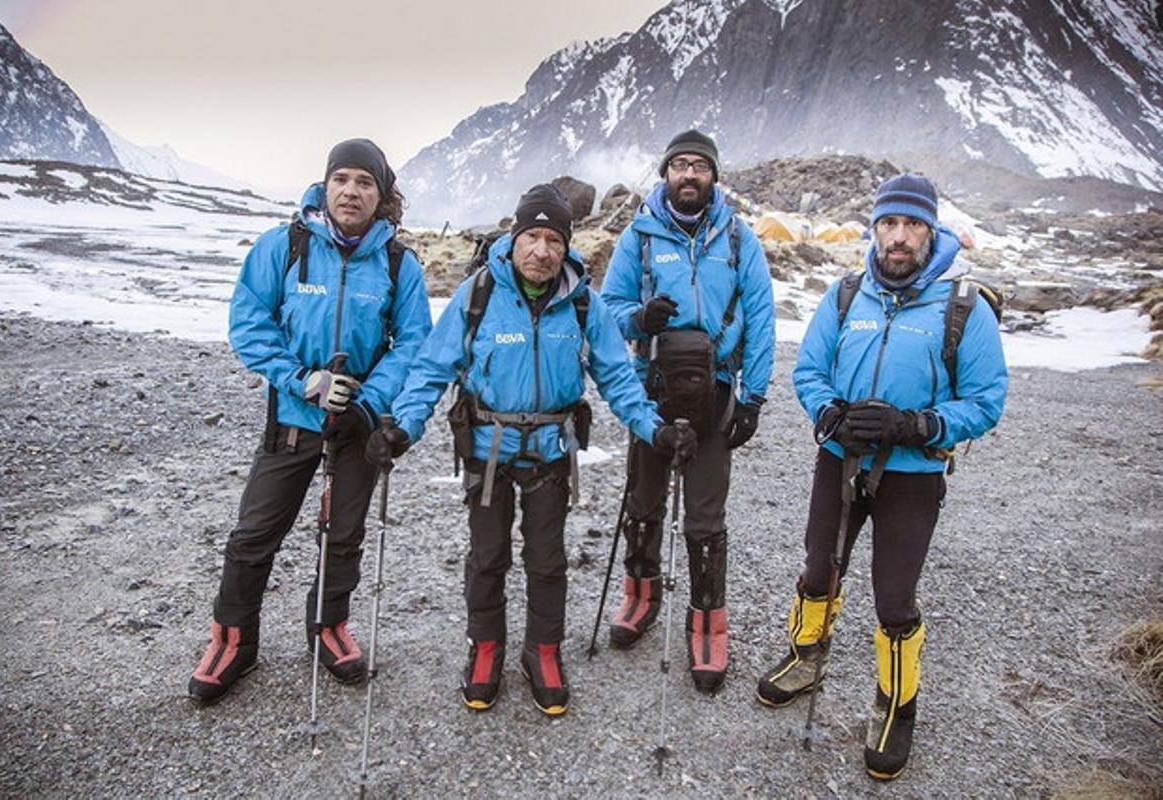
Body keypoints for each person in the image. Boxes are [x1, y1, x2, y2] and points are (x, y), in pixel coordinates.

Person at [367, 184, 696, 716]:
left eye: (553, 239)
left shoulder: (583, 303)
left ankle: (542, 651)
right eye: (532, 236)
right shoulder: (477, 293)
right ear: (515, 238)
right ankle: (486, 647)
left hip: (550, 453)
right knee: (487, 557)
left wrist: (654, 429)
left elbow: (617, 376)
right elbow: (431, 369)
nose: (542, 249)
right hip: (486, 451)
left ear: (566, 246)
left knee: (547, 561)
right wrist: (401, 429)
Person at [754, 174, 1007, 779]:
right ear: (874, 229)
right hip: (840, 461)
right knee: (820, 566)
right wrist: (830, 414)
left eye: (912, 225)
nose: (899, 237)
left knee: (894, 597)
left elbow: (986, 399)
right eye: (889, 224)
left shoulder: (962, 306)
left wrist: (917, 426)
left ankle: (897, 705)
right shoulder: (845, 295)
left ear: (930, 231)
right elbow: (809, 370)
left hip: (913, 473)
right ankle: (806, 655)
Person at [187, 139, 432, 704]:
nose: (351, 191)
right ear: (325, 186)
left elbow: (414, 343)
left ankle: (328, 627)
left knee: (342, 535)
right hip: (292, 421)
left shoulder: (398, 262)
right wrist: (305, 380)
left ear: (382, 194)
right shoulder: (285, 245)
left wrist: (368, 403)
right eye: (341, 179)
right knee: (253, 534)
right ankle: (234, 639)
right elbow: (250, 324)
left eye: (365, 182)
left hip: (357, 428)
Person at [599, 129, 776, 694]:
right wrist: (639, 319)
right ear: (665, 175)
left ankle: (707, 624)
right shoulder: (640, 237)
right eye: (680, 166)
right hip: (652, 389)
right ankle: (640, 597)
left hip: (717, 392)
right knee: (644, 502)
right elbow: (608, 311)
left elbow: (763, 318)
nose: (690, 175)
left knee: (704, 518)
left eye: (700, 166)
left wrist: (754, 397)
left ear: (714, 176)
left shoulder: (740, 239)